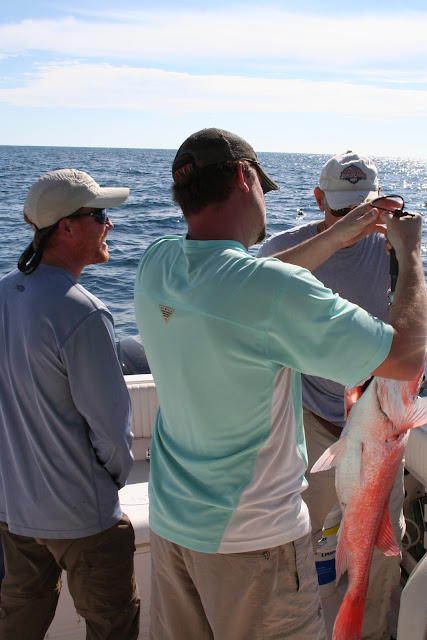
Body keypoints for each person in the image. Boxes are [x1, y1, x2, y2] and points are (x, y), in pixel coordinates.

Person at [133, 128, 426, 640]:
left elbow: (247, 281)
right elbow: (405, 357)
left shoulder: (157, 260)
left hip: (173, 527)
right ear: (242, 177)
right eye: (262, 187)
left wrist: (335, 234)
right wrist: (412, 253)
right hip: (254, 545)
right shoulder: (269, 290)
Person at [257, 151, 406, 640]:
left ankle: (373, 630)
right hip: (314, 420)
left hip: (381, 428)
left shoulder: (395, 250)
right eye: (342, 211)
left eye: (364, 210)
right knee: (314, 541)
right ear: (318, 198)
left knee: (383, 546)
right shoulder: (285, 250)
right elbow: (237, 294)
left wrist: (408, 253)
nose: (354, 223)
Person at [0, 169, 140, 640]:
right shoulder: (83, 311)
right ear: (66, 227)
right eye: (99, 216)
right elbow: (112, 429)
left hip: (12, 509)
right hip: (81, 515)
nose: (110, 225)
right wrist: (109, 483)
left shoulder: (3, 294)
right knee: (112, 625)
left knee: (18, 620)